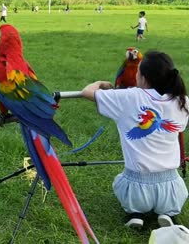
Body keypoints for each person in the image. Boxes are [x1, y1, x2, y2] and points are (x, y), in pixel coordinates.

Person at [81, 51, 189, 229]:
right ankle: (166, 213)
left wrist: (100, 83)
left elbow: (87, 92)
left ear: (144, 78)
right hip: (171, 189)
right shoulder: (183, 102)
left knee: (123, 182)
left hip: (136, 188)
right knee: (167, 200)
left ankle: (136, 214)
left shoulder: (129, 97)